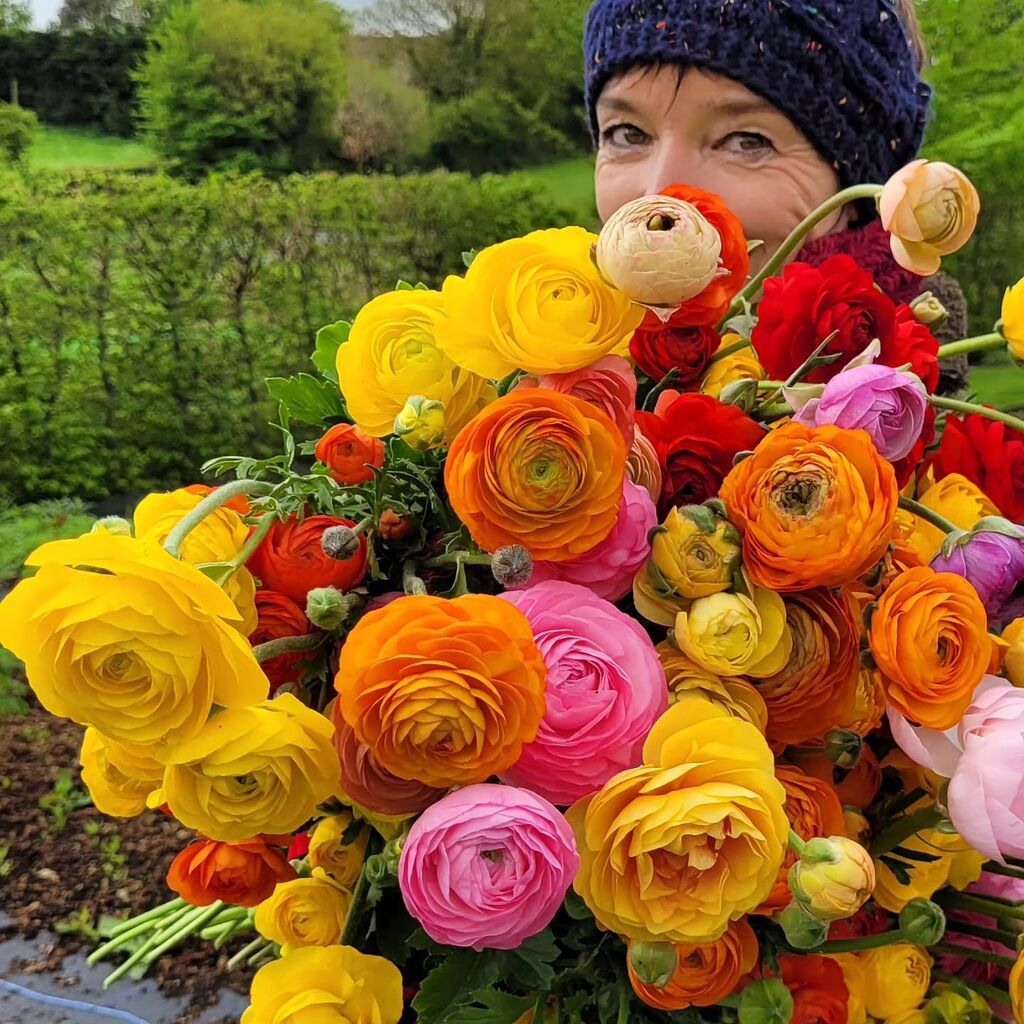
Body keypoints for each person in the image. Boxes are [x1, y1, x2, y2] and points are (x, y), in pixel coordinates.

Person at [583, 0, 969, 393]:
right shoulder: (547, 395)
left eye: (747, 141)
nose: (661, 199)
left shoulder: (938, 442)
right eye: (627, 134)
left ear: (857, 197)